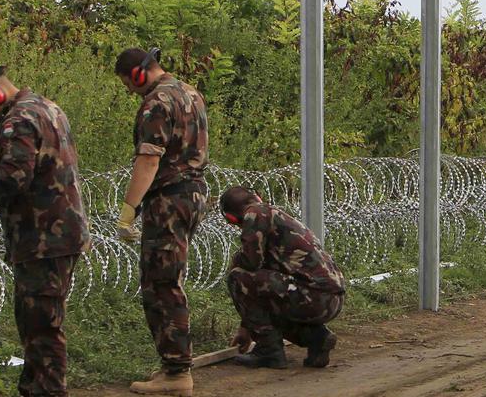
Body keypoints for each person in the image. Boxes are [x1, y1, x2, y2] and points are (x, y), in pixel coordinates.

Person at [0, 62, 88, 397]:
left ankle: (47, 391)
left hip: (43, 236)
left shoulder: (17, 120)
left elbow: (13, 178)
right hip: (59, 232)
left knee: (41, 328)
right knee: (37, 322)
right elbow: (34, 161)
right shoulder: (46, 107)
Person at [113, 48, 210, 397]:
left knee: (161, 284)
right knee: (169, 279)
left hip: (169, 199)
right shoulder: (190, 92)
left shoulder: (157, 102)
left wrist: (129, 209)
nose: (129, 90)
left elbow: (149, 161)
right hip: (194, 193)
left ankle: (177, 372)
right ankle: (174, 365)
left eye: (127, 83)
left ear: (138, 74)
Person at [219, 186, 346, 369]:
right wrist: (246, 328)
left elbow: (250, 264)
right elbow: (258, 293)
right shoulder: (276, 217)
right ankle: (317, 338)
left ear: (231, 218)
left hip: (311, 296)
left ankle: (268, 352)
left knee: (237, 277)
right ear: (258, 196)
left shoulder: (255, 213)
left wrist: (236, 260)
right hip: (329, 299)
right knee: (268, 298)